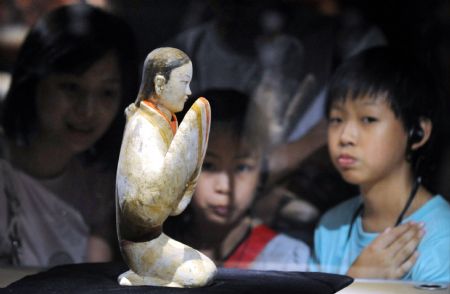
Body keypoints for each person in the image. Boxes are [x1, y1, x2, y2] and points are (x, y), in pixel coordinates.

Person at [0, 3, 139, 267]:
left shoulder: (101, 188)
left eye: (106, 93)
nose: (87, 110)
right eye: (71, 87)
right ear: (34, 82)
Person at [311, 46, 450, 283]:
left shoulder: (441, 238)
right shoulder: (330, 226)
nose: (345, 136)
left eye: (368, 119)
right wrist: (357, 279)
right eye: (337, 119)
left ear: (417, 132)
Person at [165, 88, 310, 271]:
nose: (225, 187)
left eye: (242, 168)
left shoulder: (284, 258)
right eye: (209, 166)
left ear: (261, 173)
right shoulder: (157, 247)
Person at [115, 47, 216, 287]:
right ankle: (143, 276)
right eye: (184, 82)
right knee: (199, 275)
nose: (189, 91)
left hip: (154, 238)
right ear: (160, 84)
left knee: (207, 269)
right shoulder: (142, 127)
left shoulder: (160, 121)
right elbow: (139, 208)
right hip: (139, 245)